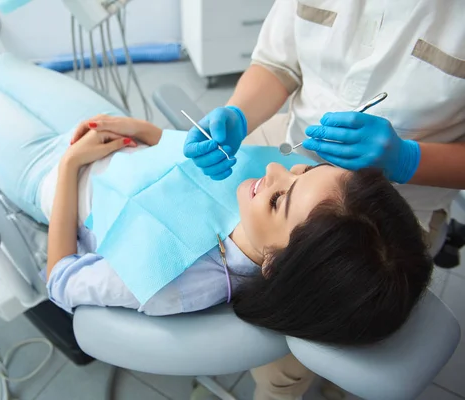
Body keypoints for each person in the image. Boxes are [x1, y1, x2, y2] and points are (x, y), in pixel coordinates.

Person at [0, 22, 432, 400]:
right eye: (304, 169)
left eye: (282, 195)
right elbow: (184, 165)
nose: (276, 171)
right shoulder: (269, 201)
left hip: (49, 174)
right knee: (2, 67)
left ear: (275, 266)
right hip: (117, 135)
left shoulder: (177, 283)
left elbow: (61, 279)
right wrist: (147, 132)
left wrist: (73, 166)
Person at [183, 2, 465, 397]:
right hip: (293, 149)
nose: (269, 174)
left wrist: (407, 159)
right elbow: (279, 63)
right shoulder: (284, 171)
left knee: (318, 346)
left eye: (280, 195)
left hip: (399, 211)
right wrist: (239, 114)